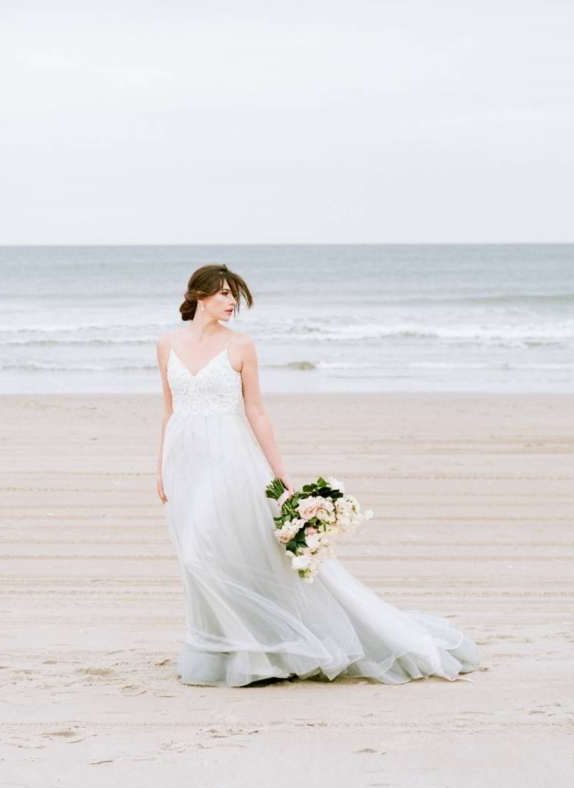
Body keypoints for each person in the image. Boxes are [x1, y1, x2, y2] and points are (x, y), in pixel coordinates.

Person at [155, 263, 481, 687]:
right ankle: (227, 647)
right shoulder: (166, 344)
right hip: (185, 461)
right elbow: (168, 409)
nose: (232, 302)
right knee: (200, 556)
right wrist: (160, 465)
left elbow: (256, 410)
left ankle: (261, 648)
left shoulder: (241, 346)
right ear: (198, 295)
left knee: (208, 553)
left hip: (231, 459)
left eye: (235, 295)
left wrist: (280, 472)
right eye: (223, 294)